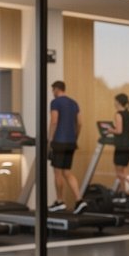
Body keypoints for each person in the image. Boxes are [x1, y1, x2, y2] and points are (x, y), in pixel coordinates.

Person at [48, 81, 84, 213]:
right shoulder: (74, 103)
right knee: (67, 172)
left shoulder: (55, 102)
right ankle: (79, 200)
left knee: (57, 173)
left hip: (59, 141)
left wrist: (50, 140)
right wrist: (75, 137)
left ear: (57, 89)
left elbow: (54, 121)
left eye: (53, 90)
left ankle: (59, 201)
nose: (52, 93)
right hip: (71, 142)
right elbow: (80, 123)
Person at [106, 93, 129, 195]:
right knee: (124, 171)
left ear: (118, 102)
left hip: (121, 146)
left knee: (121, 173)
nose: (114, 103)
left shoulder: (118, 114)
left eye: (115, 101)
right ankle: (123, 192)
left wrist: (110, 130)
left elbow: (119, 131)